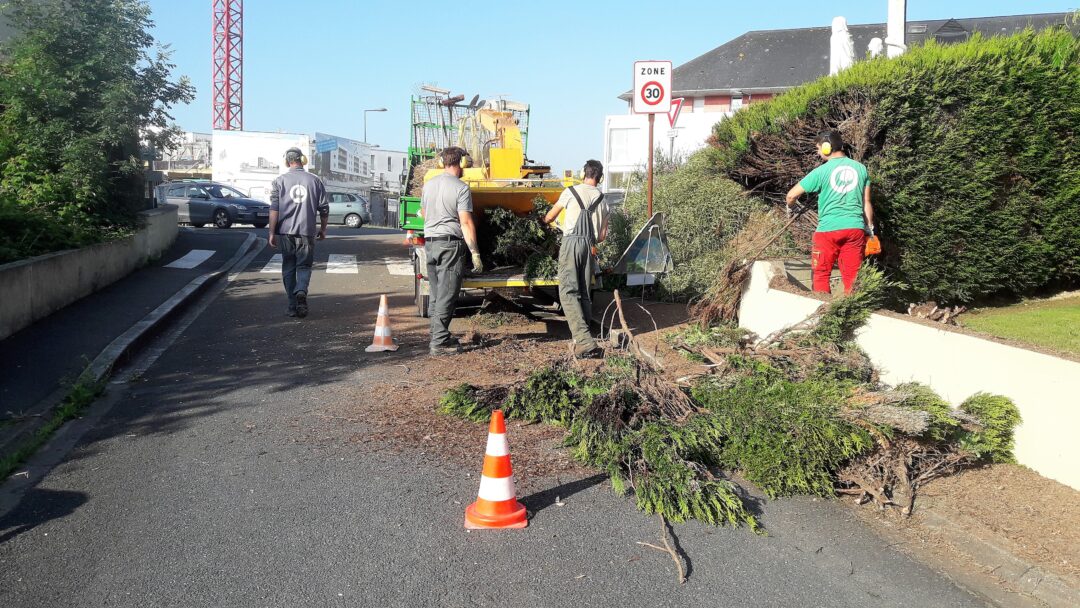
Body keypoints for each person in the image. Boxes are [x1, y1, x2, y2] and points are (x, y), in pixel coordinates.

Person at [785, 130, 875, 294]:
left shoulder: (821, 171)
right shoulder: (861, 169)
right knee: (853, 278)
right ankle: (853, 314)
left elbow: (791, 195)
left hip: (828, 231)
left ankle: (823, 315)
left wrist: (792, 207)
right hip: (855, 230)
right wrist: (870, 229)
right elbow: (866, 203)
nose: (818, 153)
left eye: (818, 149)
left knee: (820, 274)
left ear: (827, 148)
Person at [543, 159, 609, 358]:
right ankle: (584, 335)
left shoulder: (570, 192)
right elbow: (603, 236)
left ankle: (583, 340)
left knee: (568, 292)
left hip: (571, 244)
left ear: (583, 174)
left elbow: (549, 217)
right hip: (589, 247)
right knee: (584, 292)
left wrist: (546, 222)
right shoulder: (603, 200)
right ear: (600, 177)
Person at [422, 146, 483, 356]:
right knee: (448, 295)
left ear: (441, 163)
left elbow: (423, 212)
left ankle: (437, 334)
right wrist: (475, 252)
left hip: (430, 244)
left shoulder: (428, 185)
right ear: (462, 163)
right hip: (449, 245)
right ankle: (439, 343)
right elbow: (466, 222)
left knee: (437, 294)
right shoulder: (461, 188)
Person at [268, 147, 328, 318]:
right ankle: (301, 290)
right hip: (306, 231)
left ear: (287, 161)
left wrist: (272, 232)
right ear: (302, 159)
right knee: (304, 266)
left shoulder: (279, 181)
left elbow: (274, 209)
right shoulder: (315, 181)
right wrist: (323, 229)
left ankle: (292, 306)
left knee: (288, 266)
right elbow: (324, 208)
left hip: (286, 232)